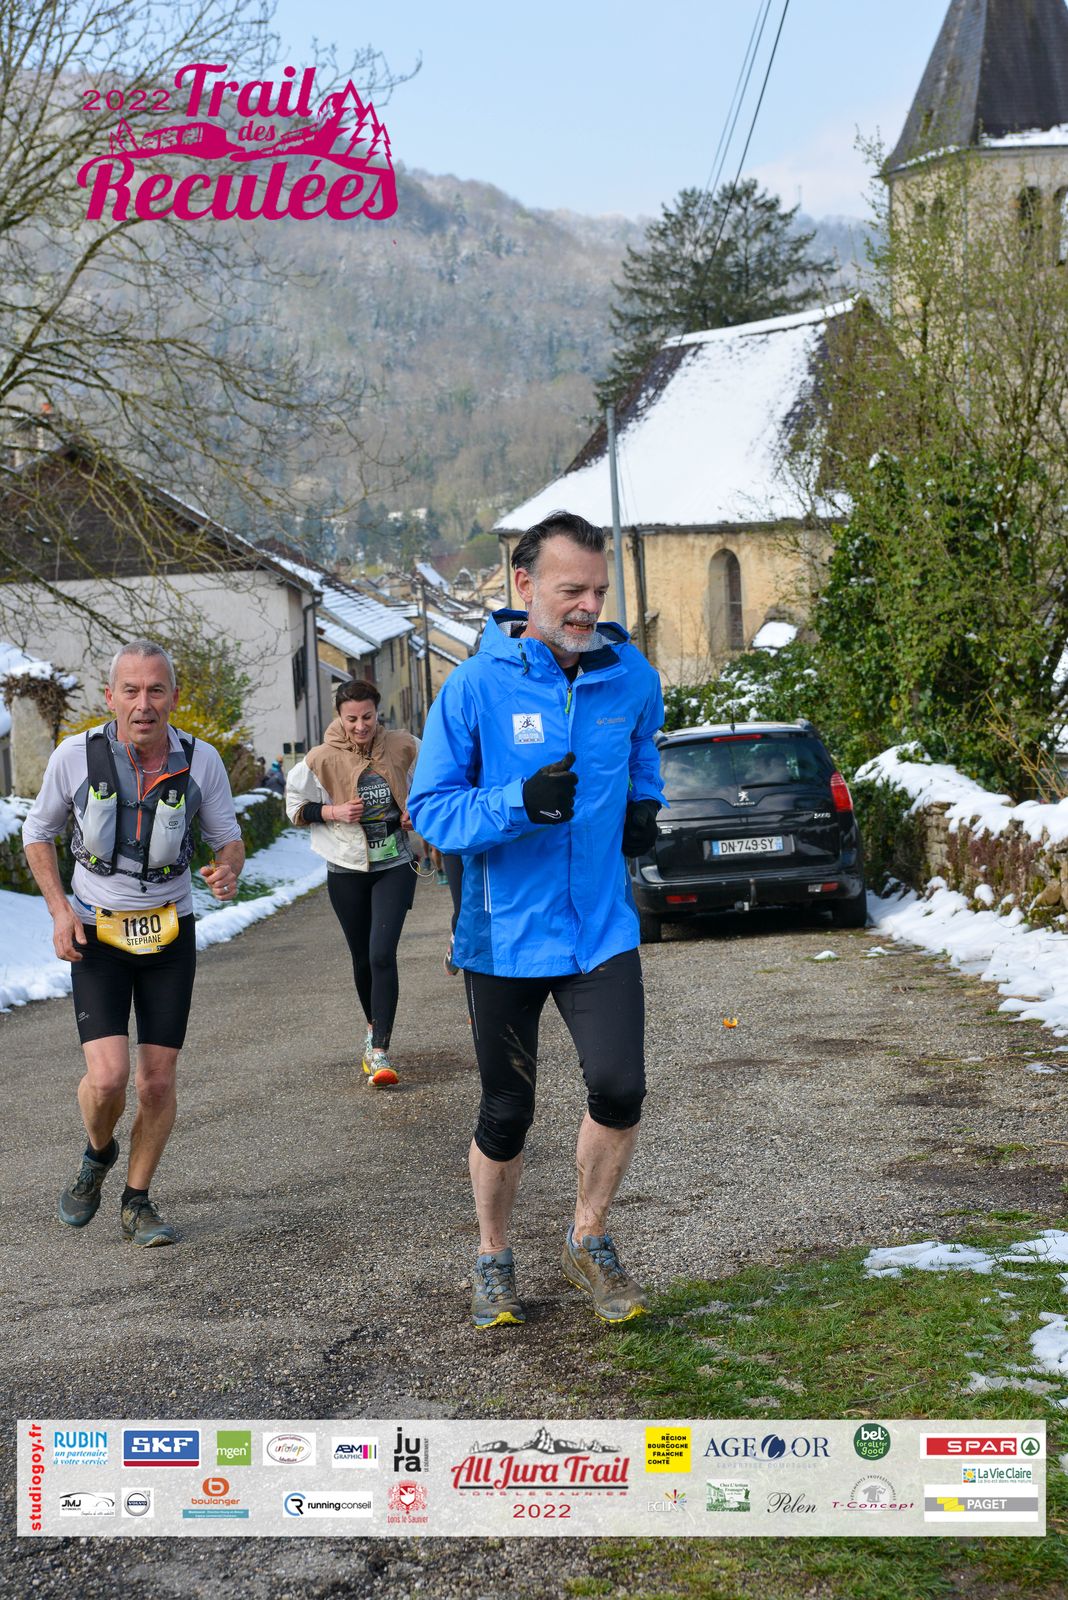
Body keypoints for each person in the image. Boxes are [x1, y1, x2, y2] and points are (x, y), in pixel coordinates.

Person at [408, 510, 664, 1329]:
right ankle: (493, 1256)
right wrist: (519, 803)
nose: (589, 606)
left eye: (598, 590)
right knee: (506, 1111)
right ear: (524, 586)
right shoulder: (475, 687)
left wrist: (645, 802)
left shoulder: (630, 675)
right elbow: (431, 810)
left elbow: (643, 748)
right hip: (504, 935)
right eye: (571, 591)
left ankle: (588, 1238)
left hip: (599, 929)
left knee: (620, 1087)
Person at [22, 639, 244, 1246]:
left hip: (170, 930)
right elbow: (37, 833)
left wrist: (228, 868)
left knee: (157, 1081)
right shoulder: (75, 756)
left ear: (173, 696)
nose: (143, 704)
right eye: (131, 690)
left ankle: (137, 1200)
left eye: (155, 690)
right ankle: (98, 1153)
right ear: (111, 696)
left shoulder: (201, 761)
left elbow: (228, 839)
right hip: (96, 930)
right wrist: (59, 911)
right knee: (107, 1079)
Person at [286, 679, 421, 1088]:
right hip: (346, 869)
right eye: (352, 719)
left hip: (395, 864)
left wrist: (417, 810)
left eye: (367, 717)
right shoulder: (319, 758)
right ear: (339, 718)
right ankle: (372, 1028)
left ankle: (380, 1050)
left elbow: (434, 784)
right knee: (362, 958)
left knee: (381, 954)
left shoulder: (403, 745)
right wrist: (334, 811)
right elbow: (294, 808)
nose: (360, 726)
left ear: (377, 713)